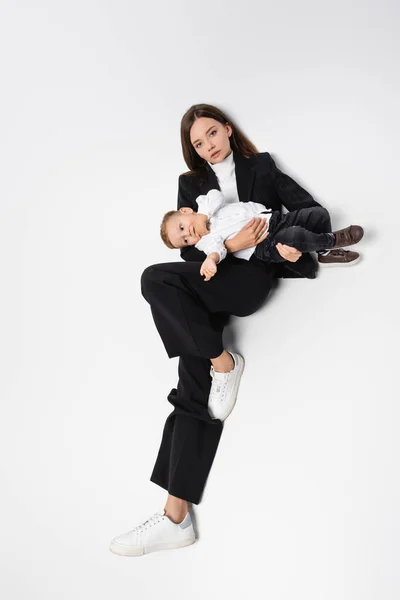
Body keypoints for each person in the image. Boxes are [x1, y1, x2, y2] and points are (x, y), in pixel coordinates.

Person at [109, 103, 358, 558]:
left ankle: (222, 363)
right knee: (185, 363)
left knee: (164, 298)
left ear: (226, 128)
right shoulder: (191, 187)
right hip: (211, 274)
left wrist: (281, 250)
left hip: (249, 279)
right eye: (197, 144)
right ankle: (174, 515)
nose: (207, 146)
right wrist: (224, 244)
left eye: (211, 134)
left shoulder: (260, 167)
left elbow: (309, 209)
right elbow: (187, 250)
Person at [160, 188, 364, 281]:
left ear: (186, 211)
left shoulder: (204, 204)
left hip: (273, 219)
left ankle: (324, 252)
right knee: (294, 237)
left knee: (318, 214)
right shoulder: (204, 242)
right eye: (184, 240)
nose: (188, 233)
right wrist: (211, 260)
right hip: (263, 245)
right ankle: (333, 240)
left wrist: (203, 215)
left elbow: (216, 194)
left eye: (181, 227)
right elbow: (217, 249)